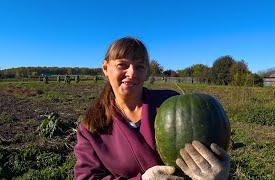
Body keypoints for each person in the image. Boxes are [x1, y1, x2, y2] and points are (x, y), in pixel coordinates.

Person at [74, 37, 230, 180]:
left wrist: (219, 174)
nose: (132, 73)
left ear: (147, 72)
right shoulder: (90, 126)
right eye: (122, 65)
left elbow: (207, 149)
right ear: (106, 68)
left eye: (139, 66)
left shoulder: (169, 102)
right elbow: (86, 177)